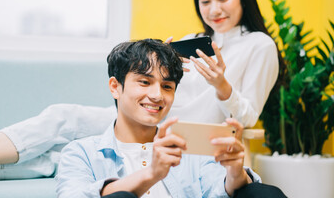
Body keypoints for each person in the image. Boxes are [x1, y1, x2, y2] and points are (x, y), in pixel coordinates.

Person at [0, 0, 280, 181]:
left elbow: (248, 118)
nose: (214, 9)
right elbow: (159, 90)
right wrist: (161, 61)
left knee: (63, 137)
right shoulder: (194, 41)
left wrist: (221, 85)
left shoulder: (259, 45)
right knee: (64, 126)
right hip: (144, 121)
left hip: (184, 136)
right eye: (205, 1)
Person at [56, 38, 266, 198]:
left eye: (167, 86)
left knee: (260, 192)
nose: (157, 95)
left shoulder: (191, 148)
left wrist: (235, 171)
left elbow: (218, 187)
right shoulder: (81, 153)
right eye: (145, 82)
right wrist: (152, 174)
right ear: (115, 87)